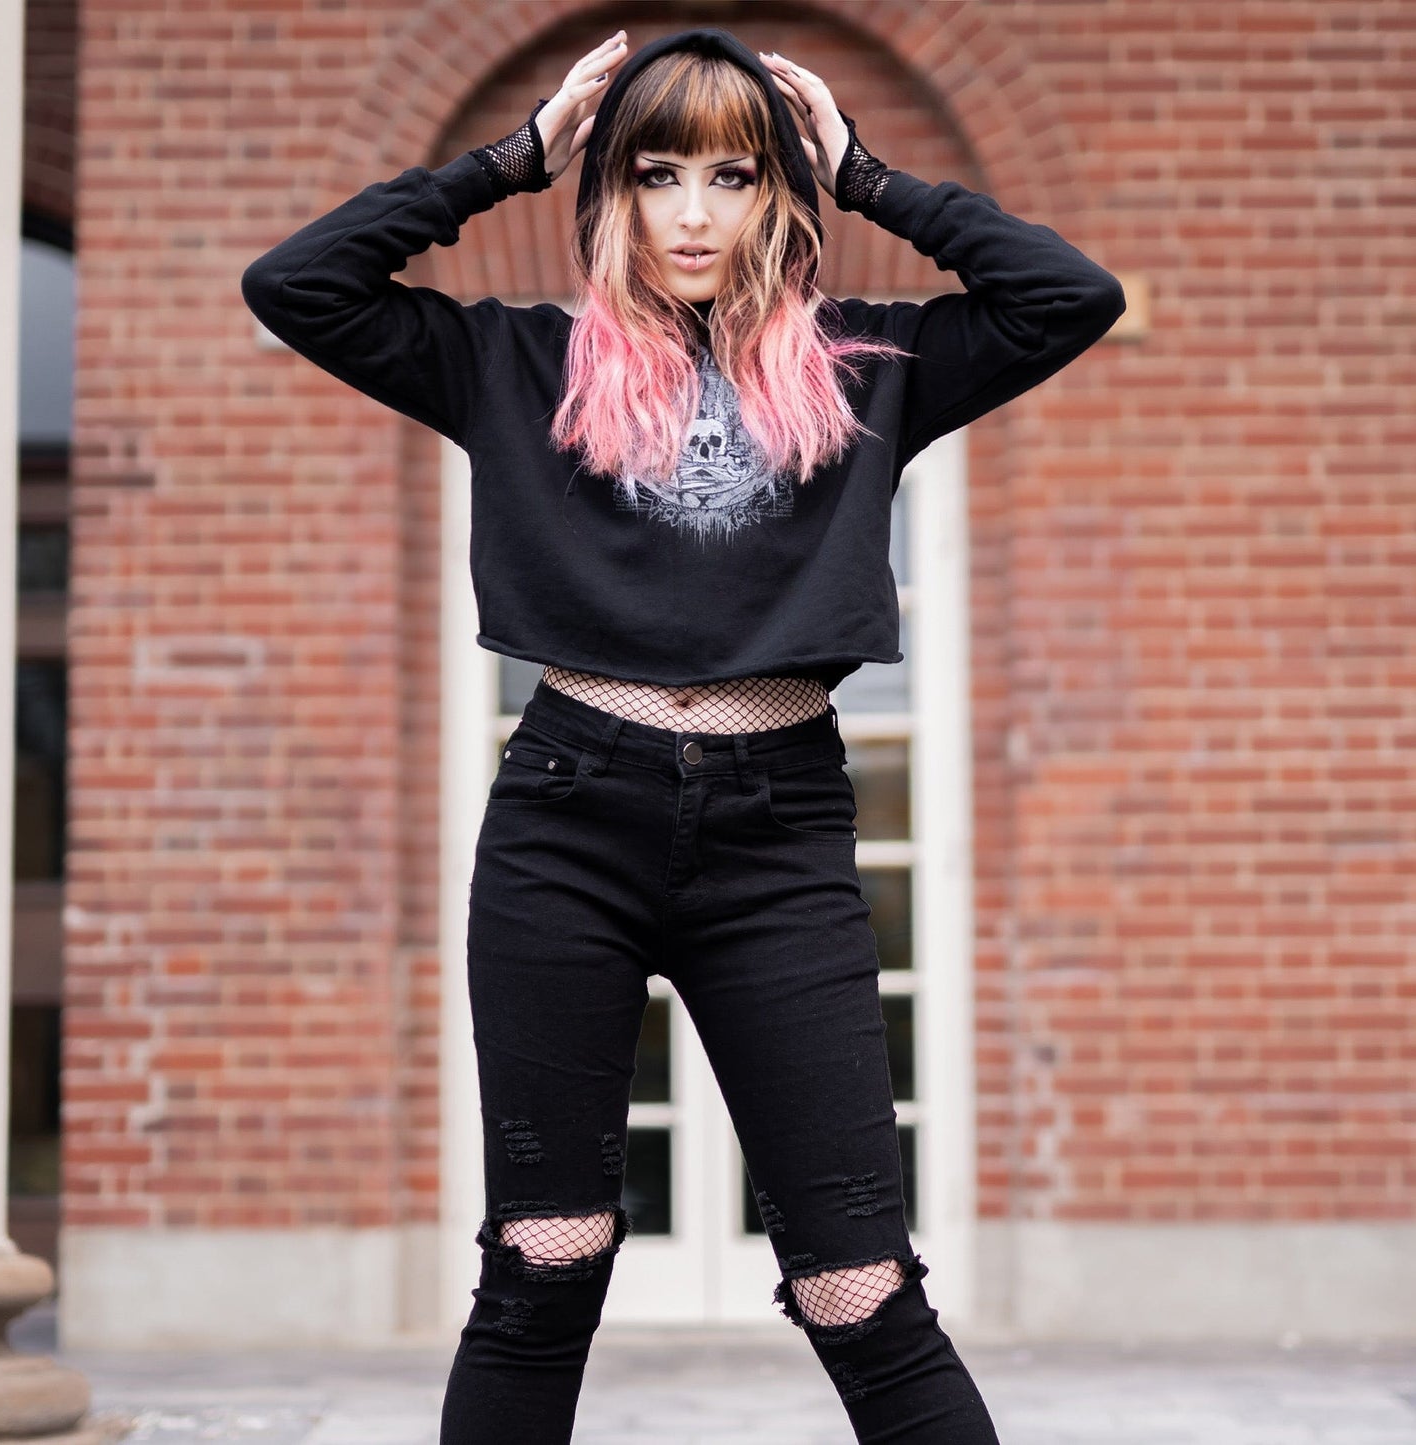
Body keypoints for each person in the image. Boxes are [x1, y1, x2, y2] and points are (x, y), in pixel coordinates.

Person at [241, 25, 1124, 1445]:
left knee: (860, 1284)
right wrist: (510, 161)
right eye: (657, 175)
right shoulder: (510, 365)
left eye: (735, 174)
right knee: (546, 1259)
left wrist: (868, 174)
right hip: (567, 816)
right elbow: (295, 283)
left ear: (780, 194)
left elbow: (1066, 296)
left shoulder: (867, 368)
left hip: (780, 831)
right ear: (609, 196)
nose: (696, 213)